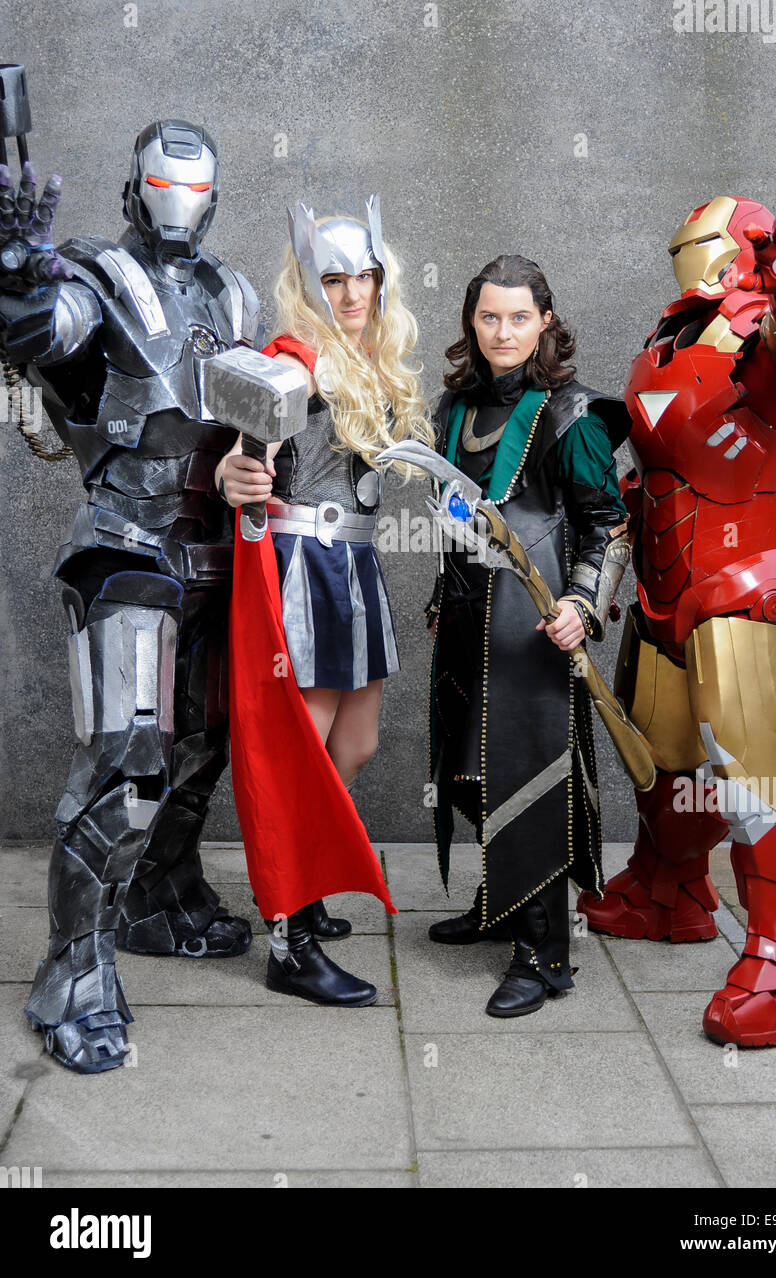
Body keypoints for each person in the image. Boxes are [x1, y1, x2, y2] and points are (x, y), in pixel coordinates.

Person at [0, 116, 263, 1073]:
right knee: (130, 764)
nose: (176, 205)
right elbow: (44, 328)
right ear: (132, 190)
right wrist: (20, 270)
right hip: (124, 549)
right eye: (160, 185)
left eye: (192, 189)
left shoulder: (233, 291)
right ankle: (72, 969)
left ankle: (157, 895)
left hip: (213, 545)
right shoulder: (98, 277)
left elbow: (253, 409)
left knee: (199, 746)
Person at [577, 198, 776, 1047]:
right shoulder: (672, 339)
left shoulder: (758, 331)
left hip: (739, 583)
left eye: (703, 246)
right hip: (662, 583)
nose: (688, 260)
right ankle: (669, 890)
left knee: (758, 781)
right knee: (664, 760)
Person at [215, 197, 433, 1005]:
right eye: (332, 279)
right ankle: (289, 934)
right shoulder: (293, 360)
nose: (350, 294)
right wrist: (233, 478)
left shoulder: (371, 359)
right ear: (306, 282)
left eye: (364, 278)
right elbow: (242, 460)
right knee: (298, 755)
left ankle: (304, 886)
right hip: (303, 564)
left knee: (358, 743)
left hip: (356, 566)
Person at [424, 254, 631, 1017]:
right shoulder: (454, 408)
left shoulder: (571, 414)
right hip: (464, 616)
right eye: (487, 316)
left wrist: (581, 602)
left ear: (544, 320)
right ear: (470, 322)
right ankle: (504, 899)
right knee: (462, 772)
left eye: (518, 317)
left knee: (526, 777)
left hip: (534, 623)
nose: (502, 331)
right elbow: (454, 514)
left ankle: (545, 951)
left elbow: (608, 525)